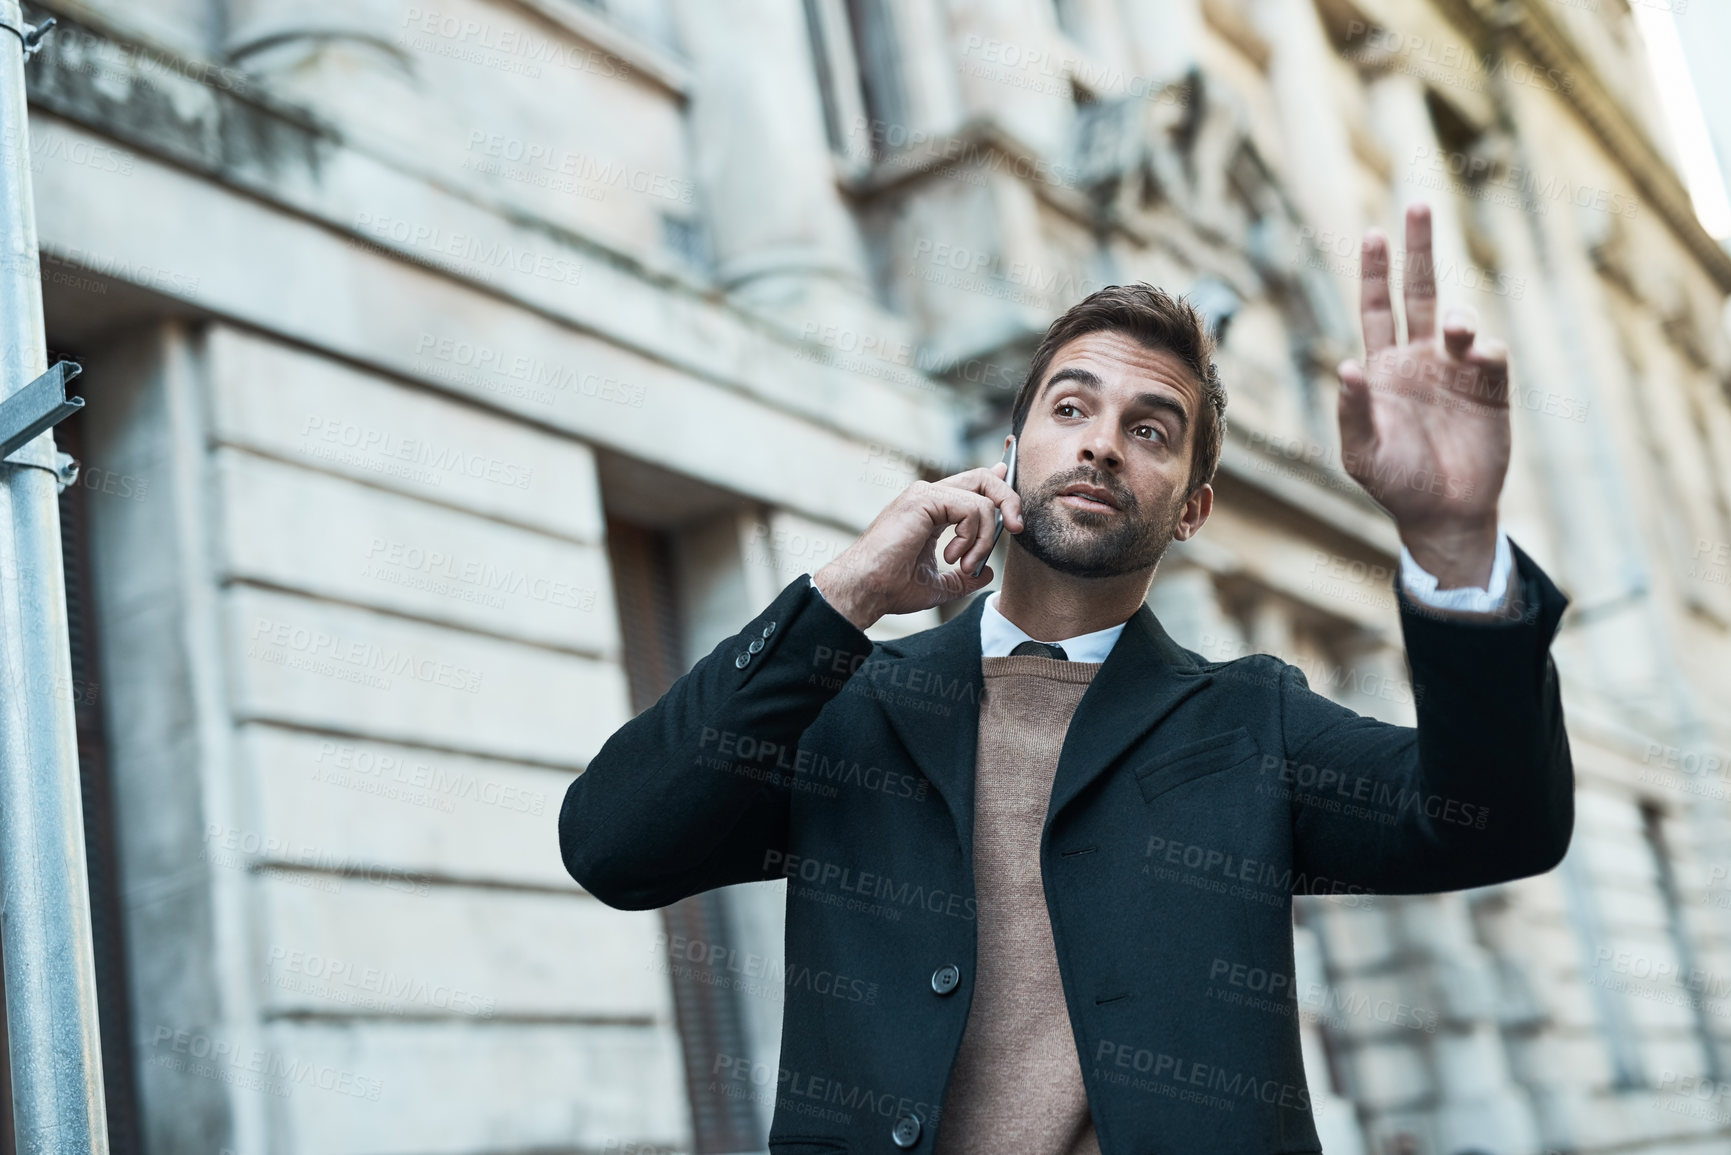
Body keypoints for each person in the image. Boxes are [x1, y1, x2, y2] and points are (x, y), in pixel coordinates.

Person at [559, 204, 1574, 1154]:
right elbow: (616, 843)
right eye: (1072, 405)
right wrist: (846, 592)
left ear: (1191, 510)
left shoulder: (1247, 723)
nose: (1101, 440)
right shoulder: (852, 702)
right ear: (1008, 453)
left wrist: (1452, 544)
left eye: (1150, 428)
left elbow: (1494, 818)